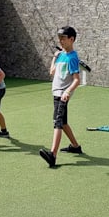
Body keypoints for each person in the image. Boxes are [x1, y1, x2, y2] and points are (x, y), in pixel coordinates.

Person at [39, 26, 83, 168]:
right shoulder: (61, 55)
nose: (61, 41)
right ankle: (75, 146)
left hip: (62, 95)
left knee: (57, 123)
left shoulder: (72, 58)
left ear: (72, 39)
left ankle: (53, 155)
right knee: (62, 122)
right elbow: (52, 72)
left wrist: (67, 92)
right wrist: (54, 58)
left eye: (64, 38)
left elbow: (77, 80)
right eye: (60, 39)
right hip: (56, 93)